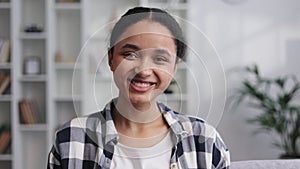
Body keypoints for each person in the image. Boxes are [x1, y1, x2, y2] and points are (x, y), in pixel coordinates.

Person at [47, 7, 230, 169]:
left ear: (174, 67)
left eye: (160, 58)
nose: (143, 70)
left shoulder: (204, 140)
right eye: (130, 54)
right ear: (111, 59)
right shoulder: (71, 138)